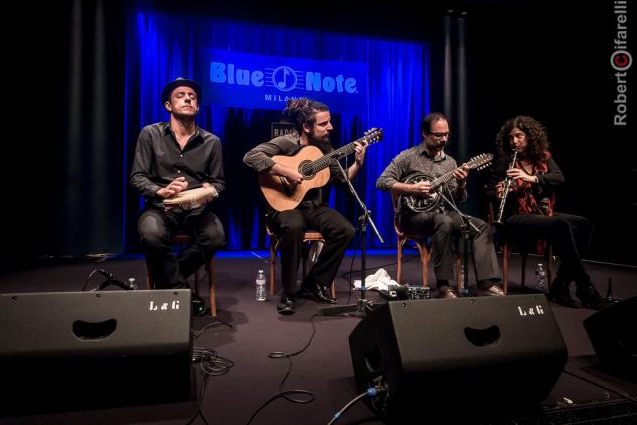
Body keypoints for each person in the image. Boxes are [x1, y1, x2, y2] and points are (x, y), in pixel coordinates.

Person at [243, 98, 367, 315]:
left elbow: (340, 180)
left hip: (314, 207)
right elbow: (251, 157)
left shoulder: (326, 148)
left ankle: (315, 282)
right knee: (293, 226)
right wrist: (286, 171)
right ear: (306, 126)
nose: (331, 127)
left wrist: (357, 164)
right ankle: (289, 293)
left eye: (330, 122)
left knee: (345, 230)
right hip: (284, 207)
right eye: (324, 124)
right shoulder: (286, 143)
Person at [376, 112, 503, 298]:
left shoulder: (450, 162)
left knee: (481, 227)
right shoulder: (408, 157)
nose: (444, 139)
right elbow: (381, 181)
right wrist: (412, 188)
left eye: (446, 135)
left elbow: (458, 199)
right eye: (438, 135)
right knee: (444, 221)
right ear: (424, 134)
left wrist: (461, 184)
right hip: (412, 217)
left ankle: (486, 284)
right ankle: (444, 287)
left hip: (441, 214)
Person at [130, 77, 226, 315]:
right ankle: (181, 290)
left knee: (216, 238)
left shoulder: (212, 142)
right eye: (181, 95)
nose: (187, 98)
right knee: (151, 235)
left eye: (192, 96)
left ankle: (168, 282)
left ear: (198, 106)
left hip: (196, 209)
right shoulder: (150, 134)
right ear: (168, 105)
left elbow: (219, 182)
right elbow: (137, 177)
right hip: (161, 207)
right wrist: (159, 191)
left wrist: (209, 191)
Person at [489, 115, 606, 310]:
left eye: (519, 136)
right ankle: (585, 287)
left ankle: (560, 284)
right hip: (513, 216)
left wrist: (532, 179)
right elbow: (490, 190)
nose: (514, 141)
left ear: (530, 136)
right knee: (559, 225)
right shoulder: (504, 160)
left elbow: (559, 178)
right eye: (511, 138)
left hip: (540, 213)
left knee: (584, 223)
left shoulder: (543, 157)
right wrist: (501, 191)